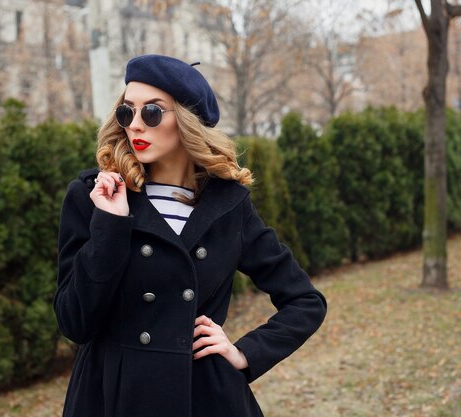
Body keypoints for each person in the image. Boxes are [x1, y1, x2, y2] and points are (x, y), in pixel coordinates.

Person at [53, 54, 327, 417]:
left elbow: (305, 301)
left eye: (151, 112)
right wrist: (111, 225)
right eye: (126, 112)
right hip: (113, 395)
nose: (135, 125)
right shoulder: (97, 195)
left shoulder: (228, 205)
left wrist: (245, 353)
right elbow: (75, 322)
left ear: (186, 121)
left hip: (203, 395)